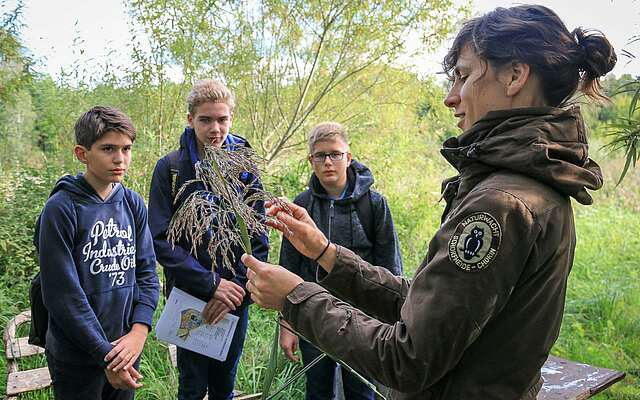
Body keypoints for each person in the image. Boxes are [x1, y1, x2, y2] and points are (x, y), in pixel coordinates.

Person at [241, 5, 617, 399]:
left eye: (464, 76)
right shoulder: (530, 186)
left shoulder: (500, 205)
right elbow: (427, 308)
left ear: (514, 75)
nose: (450, 98)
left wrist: (297, 297)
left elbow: (407, 359)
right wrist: (326, 253)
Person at [148, 79, 269, 400]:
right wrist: (212, 285)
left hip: (235, 299)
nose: (215, 128)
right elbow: (161, 239)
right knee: (191, 385)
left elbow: (258, 236)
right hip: (189, 296)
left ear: (231, 117)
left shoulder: (245, 168)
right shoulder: (170, 169)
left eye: (222, 119)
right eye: (205, 120)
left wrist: (236, 289)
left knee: (224, 384)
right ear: (190, 119)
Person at [36, 106, 160, 399]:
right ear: (82, 153)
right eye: (108, 148)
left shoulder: (132, 204)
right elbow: (62, 295)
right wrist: (104, 354)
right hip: (78, 357)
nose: (120, 158)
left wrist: (139, 332)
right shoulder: (62, 209)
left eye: (126, 148)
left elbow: (147, 273)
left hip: (125, 348)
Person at [278, 122, 403, 400]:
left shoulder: (373, 204)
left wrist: (394, 321)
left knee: (362, 391)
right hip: (313, 315)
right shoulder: (302, 204)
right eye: (320, 156)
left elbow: (390, 264)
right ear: (311, 161)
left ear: (348, 157)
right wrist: (287, 323)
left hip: (363, 319)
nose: (328, 162)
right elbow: (289, 266)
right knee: (318, 390)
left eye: (335, 154)